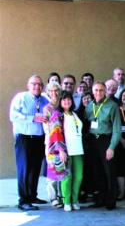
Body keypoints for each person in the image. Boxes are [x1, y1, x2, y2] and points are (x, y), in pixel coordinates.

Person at [11, 75, 50, 211]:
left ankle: (32, 196)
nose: (37, 86)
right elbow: (13, 115)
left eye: (40, 84)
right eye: (34, 84)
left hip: (39, 139)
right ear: (28, 85)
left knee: (35, 169)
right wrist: (33, 118)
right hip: (25, 139)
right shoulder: (21, 98)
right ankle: (23, 201)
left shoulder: (45, 100)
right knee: (24, 169)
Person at [85, 81, 122, 210]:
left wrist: (111, 147)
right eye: (96, 90)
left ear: (105, 91)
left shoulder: (112, 106)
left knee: (109, 172)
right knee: (97, 172)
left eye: (101, 90)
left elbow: (117, 129)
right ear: (92, 91)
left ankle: (111, 201)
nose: (98, 93)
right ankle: (101, 198)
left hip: (106, 141)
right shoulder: (89, 106)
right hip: (93, 141)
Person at [42, 81, 68, 207]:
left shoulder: (63, 105)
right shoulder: (47, 108)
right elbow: (47, 128)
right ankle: (53, 198)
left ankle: (61, 195)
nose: (54, 93)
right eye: (51, 91)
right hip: (52, 143)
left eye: (56, 90)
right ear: (48, 92)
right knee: (52, 171)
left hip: (65, 142)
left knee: (62, 169)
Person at [58, 91, 83, 211]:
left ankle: (74, 200)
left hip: (78, 150)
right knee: (67, 177)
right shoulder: (58, 116)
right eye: (64, 100)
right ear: (60, 102)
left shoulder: (74, 114)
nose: (67, 102)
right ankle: (66, 201)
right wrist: (61, 150)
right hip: (66, 150)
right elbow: (56, 134)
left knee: (78, 176)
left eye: (69, 99)